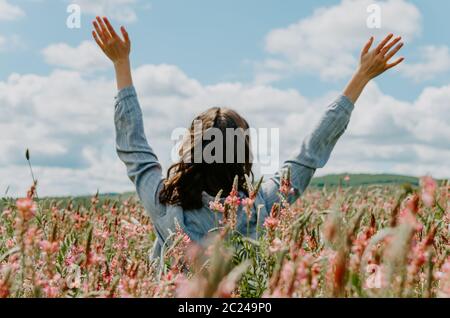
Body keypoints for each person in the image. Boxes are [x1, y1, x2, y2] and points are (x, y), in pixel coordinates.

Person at [92, 16, 404, 258]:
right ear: (242, 154)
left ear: (189, 148)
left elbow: (134, 149)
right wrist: (360, 77)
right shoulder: (260, 205)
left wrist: (121, 63)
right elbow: (309, 154)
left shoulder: (164, 204)